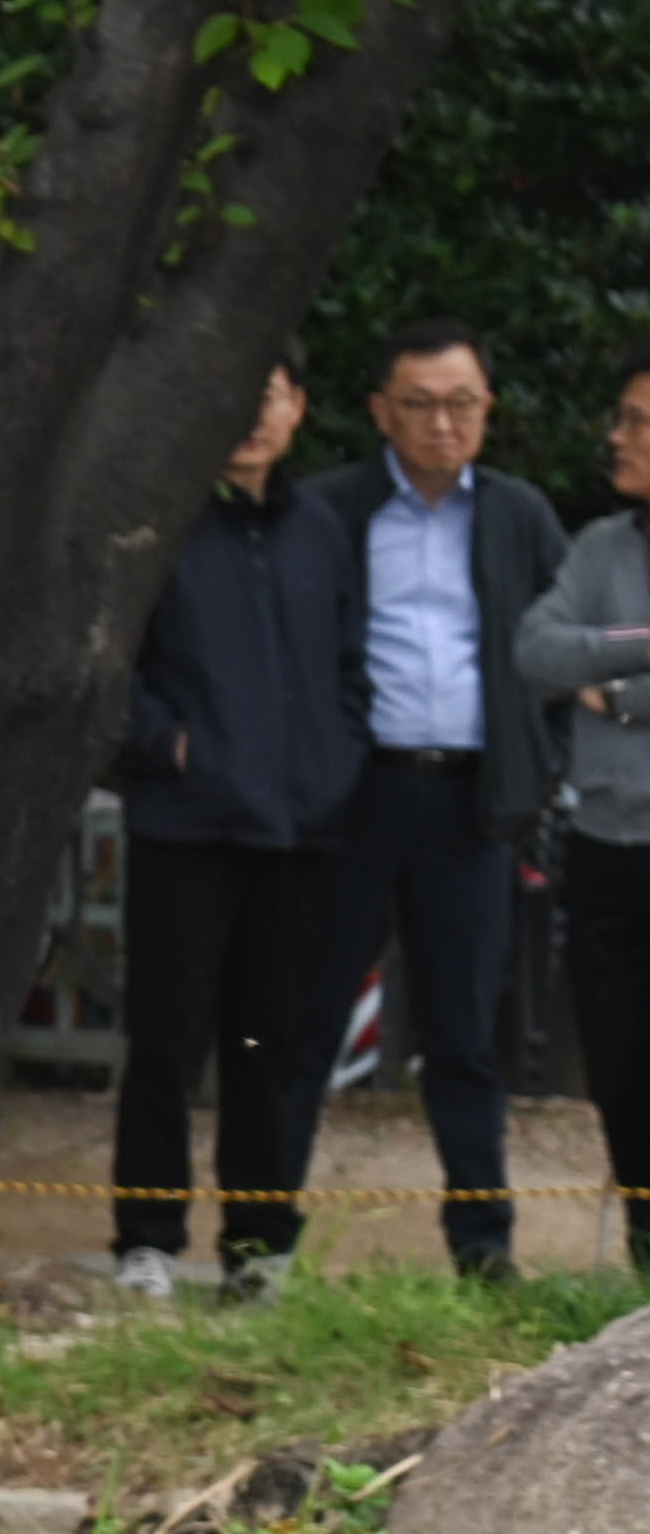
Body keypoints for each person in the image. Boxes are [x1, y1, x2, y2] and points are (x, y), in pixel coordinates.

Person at [294, 321, 570, 1279]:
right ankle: (262, 1244)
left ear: (489, 409)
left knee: (465, 1036)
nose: (443, 424)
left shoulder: (520, 516)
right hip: (356, 796)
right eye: (420, 404)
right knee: (305, 1021)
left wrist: (541, 767)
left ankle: (483, 1245)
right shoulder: (330, 509)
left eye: (463, 403)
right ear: (381, 411)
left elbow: (561, 651)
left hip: (471, 801)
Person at [108, 339, 369, 1304]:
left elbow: (350, 667)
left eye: (273, 396)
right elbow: (109, 669)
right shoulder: (158, 523)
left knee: (272, 1050)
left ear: (300, 407)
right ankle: (146, 1240)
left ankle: (259, 1246)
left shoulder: (321, 529)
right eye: (235, 395)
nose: (254, 418)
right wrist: (167, 746)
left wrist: (336, 760)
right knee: (165, 1045)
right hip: (185, 827)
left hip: (299, 831)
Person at [513, 343, 650, 1274]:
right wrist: (634, 646)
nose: (620, 435)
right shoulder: (602, 546)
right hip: (606, 848)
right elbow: (538, 650)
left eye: (639, 420)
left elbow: (586, 670)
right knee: (619, 1071)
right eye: (623, 417)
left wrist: (622, 691)